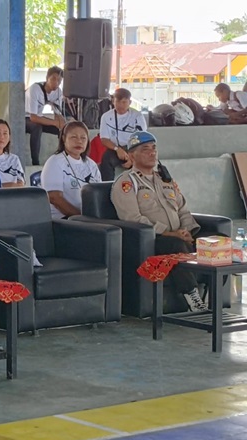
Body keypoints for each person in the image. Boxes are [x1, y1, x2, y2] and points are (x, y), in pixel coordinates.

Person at [110, 131, 207, 312]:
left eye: (154, 148)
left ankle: (212, 294)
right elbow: (132, 218)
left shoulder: (166, 180)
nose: (152, 153)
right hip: (153, 240)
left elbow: (183, 209)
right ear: (132, 155)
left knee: (216, 239)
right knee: (175, 244)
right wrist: (171, 233)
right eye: (145, 149)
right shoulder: (126, 183)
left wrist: (188, 231)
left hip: (180, 235)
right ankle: (192, 296)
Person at [40, 121, 101, 220]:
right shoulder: (55, 162)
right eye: (74, 137)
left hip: (89, 218)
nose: (79, 141)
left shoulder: (91, 164)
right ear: (64, 139)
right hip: (64, 220)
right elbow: (55, 198)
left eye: (83, 138)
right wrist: (80, 216)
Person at [98, 88, 147, 181]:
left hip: (134, 148)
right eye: (118, 102)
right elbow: (104, 139)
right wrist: (117, 149)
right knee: (106, 159)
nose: (120, 105)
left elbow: (142, 139)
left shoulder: (138, 116)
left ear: (130, 102)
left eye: (124, 102)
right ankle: (107, 189)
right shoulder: (106, 117)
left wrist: (132, 157)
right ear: (113, 101)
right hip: (115, 148)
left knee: (144, 160)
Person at [25, 66, 65, 166]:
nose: (56, 82)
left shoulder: (58, 92)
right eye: (54, 79)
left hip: (38, 117)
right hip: (25, 118)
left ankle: (62, 157)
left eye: (59, 80)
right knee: (37, 127)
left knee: (63, 130)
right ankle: (35, 162)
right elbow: (33, 117)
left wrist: (61, 124)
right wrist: (54, 122)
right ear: (47, 78)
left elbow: (58, 114)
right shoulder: (35, 89)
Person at [0, 119, 25, 188]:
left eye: (5, 133)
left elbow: (20, 184)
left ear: (9, 137)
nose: (1, 137)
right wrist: (10, 186)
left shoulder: (14, 159)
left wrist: (2, 186)